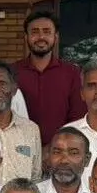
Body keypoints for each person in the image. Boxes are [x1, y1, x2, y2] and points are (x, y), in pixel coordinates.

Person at [13, 11, 85, 143]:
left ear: (55, 37)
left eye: (47, 32)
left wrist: (57, 145)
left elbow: (78, 116)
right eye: (35, 32)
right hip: (19, 146)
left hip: (60, 149)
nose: (41, 37)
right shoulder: (12, 72)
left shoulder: (72, 73)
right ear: (26, 37)